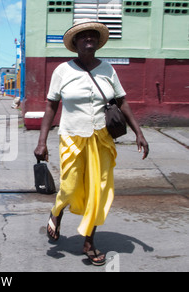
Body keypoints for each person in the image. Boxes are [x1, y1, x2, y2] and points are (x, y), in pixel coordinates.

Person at [34, 21, 149, 266]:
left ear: (97, 42)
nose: (88, 39)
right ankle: (57, 211)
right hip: (72, 137)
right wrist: (41, 141)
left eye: (92, 36)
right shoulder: (62, 71)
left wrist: (139, 133)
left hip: (102, 138)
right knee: (71, 184)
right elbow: (51, 106)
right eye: (83, 36)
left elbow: (123, 102)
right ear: (75, 43)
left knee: (100, 189)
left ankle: (89, 241)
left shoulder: (108, 69)